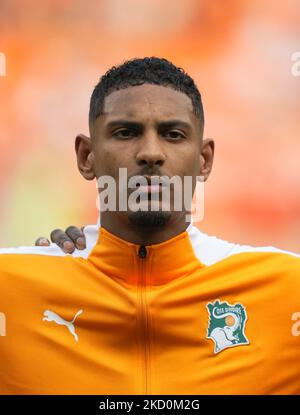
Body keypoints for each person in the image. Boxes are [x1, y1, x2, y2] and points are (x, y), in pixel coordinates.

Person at [1, 57, 299, 395]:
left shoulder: (287, 290)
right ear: (87, 156)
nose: (150, 153)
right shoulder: (9, 289)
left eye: (173, 134)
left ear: (204, 160)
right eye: (125, 133)